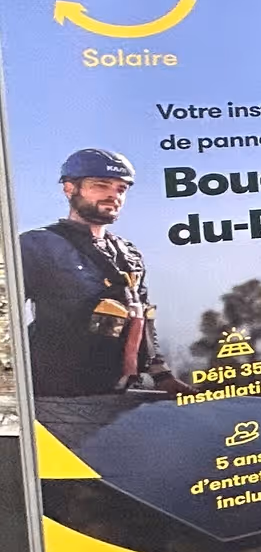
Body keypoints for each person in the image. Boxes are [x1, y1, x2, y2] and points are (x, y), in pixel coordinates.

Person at [20, 148, 191, 396]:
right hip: (54, 394)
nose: (114, 195)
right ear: (69, 189)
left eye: (121, 189)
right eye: (101, 185)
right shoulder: (37, 245)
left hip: (118, 393)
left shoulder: (128, 253)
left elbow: (143, 319)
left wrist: (162, 376)